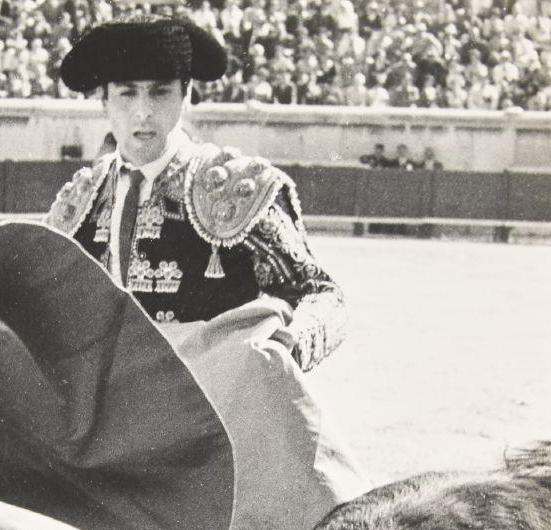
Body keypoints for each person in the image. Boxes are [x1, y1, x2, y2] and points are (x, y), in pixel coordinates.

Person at [45, 14, 345, 371]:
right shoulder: (79, 202)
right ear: (104, 102)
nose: (144, 111)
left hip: (210, 408)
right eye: (127, 93)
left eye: (160, 92)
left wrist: (286, 345)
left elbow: (320, 294)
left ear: (186, 94)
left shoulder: (238, 189)